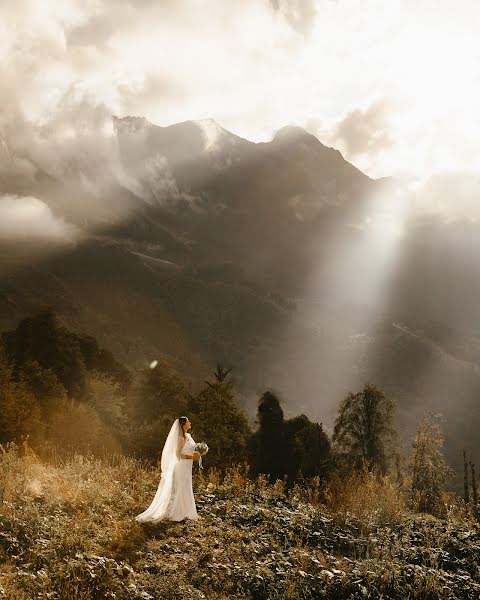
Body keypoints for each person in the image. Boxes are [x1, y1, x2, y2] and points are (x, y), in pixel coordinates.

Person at [136, 416, 200, 522]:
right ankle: (177, 514)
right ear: (183, 424)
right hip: (182, 466)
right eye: (188, 421)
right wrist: (193, 457)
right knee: (181, 488)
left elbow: (187, 450)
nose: (190, 423)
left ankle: (186, 512)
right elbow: (178, 454)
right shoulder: (181, 438)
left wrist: (197, 453)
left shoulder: (187, 436)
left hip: (187, 466)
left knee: (186, 487)